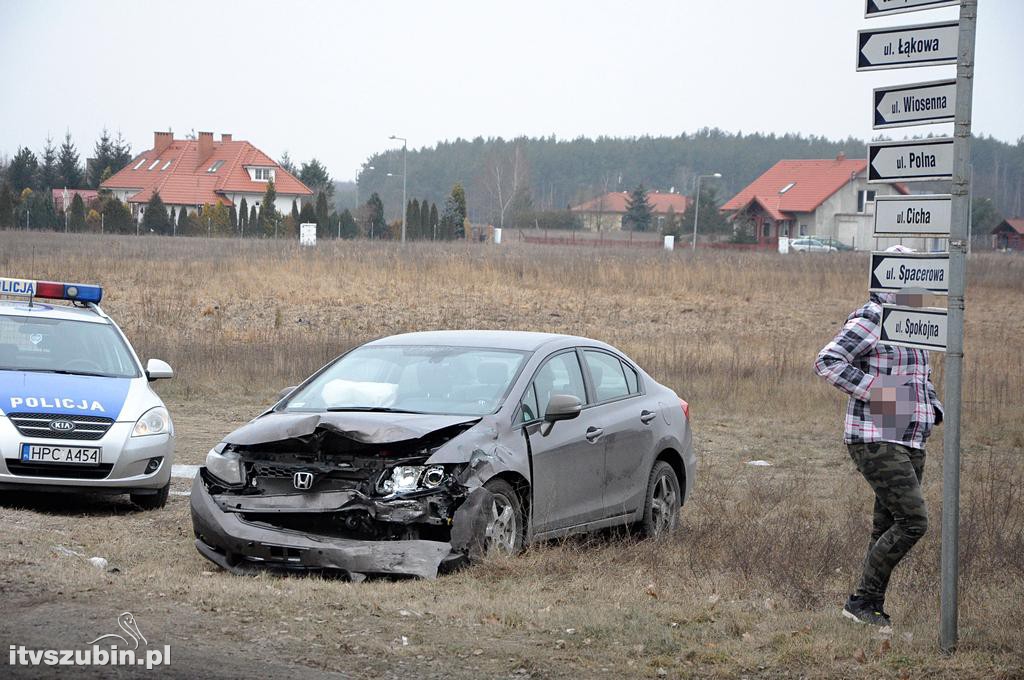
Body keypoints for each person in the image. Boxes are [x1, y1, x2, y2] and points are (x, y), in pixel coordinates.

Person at [813, 244, 943, 627]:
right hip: (875, 435)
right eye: (911, 274)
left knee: (886, 526)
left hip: (911, 438)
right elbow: (827, 361)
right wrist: (880, 393)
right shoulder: (874, 317)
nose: (919, 283)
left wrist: (932, 409)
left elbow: (921, 377)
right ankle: (860, 602)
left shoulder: (915, 322)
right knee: (913, 521)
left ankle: (865, 606)